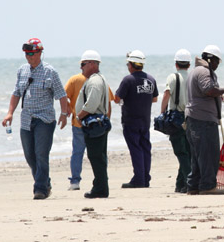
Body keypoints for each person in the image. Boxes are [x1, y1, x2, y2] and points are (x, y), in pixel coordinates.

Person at [2, 38, 69, 199]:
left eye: (32, 53)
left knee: (41, 154)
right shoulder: (22, 71)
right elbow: (16, 93)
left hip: (44, 119)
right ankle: (45, 182)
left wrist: (64, 114)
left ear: (40, 53)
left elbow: (62, 95)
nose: (28, 56)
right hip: (26, 119)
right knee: (30, 156)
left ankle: (40, 189)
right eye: (26, 53)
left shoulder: (50, 71)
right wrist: (10, 113)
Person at [185, 45, 224, 195]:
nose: (217, 65)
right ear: (210, 59)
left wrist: (220, 97)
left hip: (195, 119)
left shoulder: (195, 71)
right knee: (209, 154)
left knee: (198, 156)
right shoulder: (204, 71)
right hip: (203, 120)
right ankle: (208, 186)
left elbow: (205, 93)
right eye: (217, 61)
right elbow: (208, 90)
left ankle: (194, 186)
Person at [115, 50, 158, 188]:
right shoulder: (151, 79)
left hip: (130, 120)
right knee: (145, 148)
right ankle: (145, 178)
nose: (128, 66)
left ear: (132, 64)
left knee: (136, 149)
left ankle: (139, 179)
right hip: (145, 120)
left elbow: (117, 98)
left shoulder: (128, 80)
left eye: (128, 63)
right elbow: (155, 98)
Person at [64, 70, 114, 190]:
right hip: (96, 123)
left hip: (79, 122)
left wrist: (68, 109)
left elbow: (63, 96)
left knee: (78, 152)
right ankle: (103, 178)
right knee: (100, 153)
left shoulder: (74, 79)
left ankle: (75, 181)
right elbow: (108, 102)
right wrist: (107, 120)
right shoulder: (101, 81)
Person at [75, 50, 111, 198]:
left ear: (91, 64)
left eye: (83, 64)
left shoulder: (95, 81)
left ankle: (100, 188)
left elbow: (92, 104)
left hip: (94, 123)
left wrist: (79, 116)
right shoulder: (99, 79)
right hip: (99, 122)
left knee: (96, 156)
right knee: (99, 157)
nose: (81, 68)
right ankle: (101, 186)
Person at [160, 49, 193, 193]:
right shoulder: (193, 77)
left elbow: (167, 94)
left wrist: (162, 112)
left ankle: (189, 182)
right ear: (189, 64)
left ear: (176, 64)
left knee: (181, 152)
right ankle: (180, 185)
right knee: (188, 152)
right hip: (191, 117)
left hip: (177, 118)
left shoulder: (173, 77)